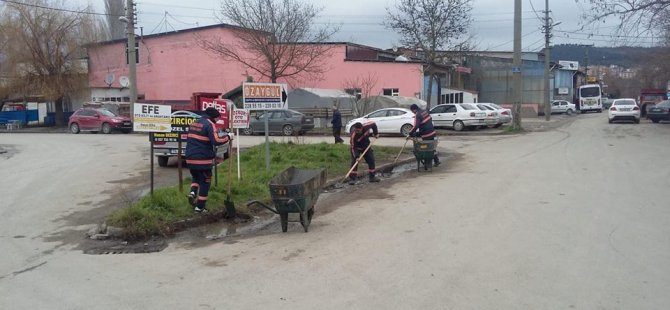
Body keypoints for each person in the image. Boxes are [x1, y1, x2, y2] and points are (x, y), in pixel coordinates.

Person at [185, 107, 232, 213]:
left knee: (196, 176)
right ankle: (200, 208)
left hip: (189, 158)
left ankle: (192, 192)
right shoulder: (209, 124)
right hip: (202, 159)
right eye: (217, 118)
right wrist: (228, 137)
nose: (217, 120)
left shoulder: (195, 123)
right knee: (205, 182)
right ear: (214, 117)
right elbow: (216, 141)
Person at [347, 121, 380, 185]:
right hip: (356, 148)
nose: (357, 132)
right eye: (356, 130)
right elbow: (353, 147)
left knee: (371, 160)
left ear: (362, 128)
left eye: (358, 131)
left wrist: (376, 133)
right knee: (354, 162)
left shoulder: (366, 126)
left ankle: (372, 177)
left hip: (366, 146)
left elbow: (373, 124)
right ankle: (353, 179)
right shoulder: (353, 136)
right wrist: (356, 157)